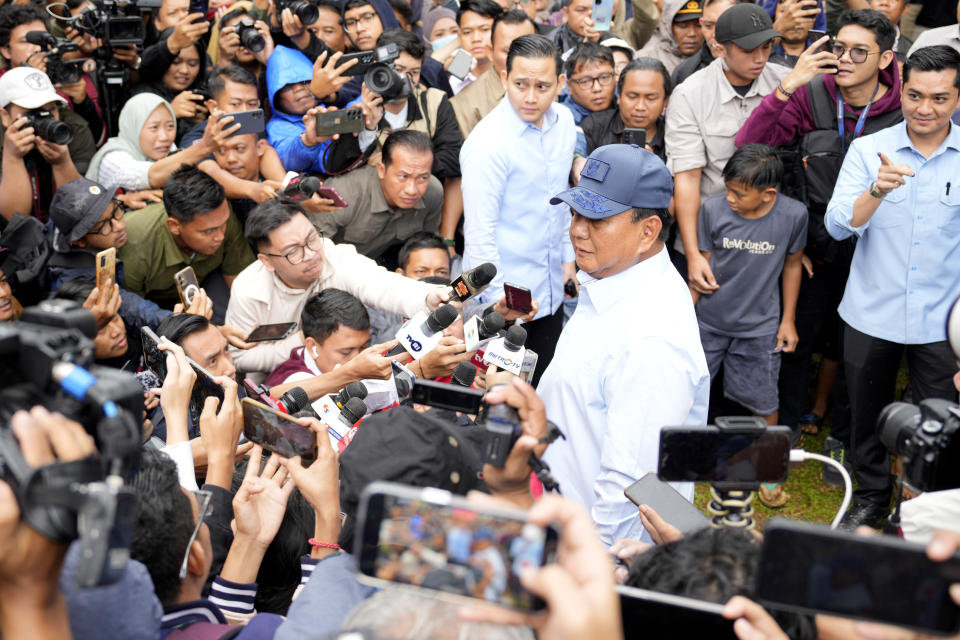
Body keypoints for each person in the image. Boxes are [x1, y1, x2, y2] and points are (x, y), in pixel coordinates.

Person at [735, 9, 902, 450]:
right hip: (812, 243)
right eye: (838, 48)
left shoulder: (904, 106)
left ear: (885, 59)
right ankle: (785, 428)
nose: (844, 59)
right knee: (797, 339)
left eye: (858, 52)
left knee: (859, 348)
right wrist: (788, 86)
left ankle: (847, 437)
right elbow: (751, 147)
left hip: (876, 249)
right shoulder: (814, 94)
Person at [540, 144, 710, 544]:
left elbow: (632, 486)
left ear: (647, 230)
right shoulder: (610, 278)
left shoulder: (653, 338)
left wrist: (596, 569)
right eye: (575, 212)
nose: (578, 229)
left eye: (597, 218)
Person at [824, 45, 960, 529]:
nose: (926, 109)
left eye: (940, 98)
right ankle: (871, 497)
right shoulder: (866, 151)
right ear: (902, 89)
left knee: (940, 424)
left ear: (957, 97)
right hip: (871, 312)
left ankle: (924, 507)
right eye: (916, 95)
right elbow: (838, 226)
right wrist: (876, 191)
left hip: (940, 323)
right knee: (866, 416)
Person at [225, 198, 450, 376]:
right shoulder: (248, 290)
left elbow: (380, 283)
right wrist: (309, 340)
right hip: (278, 383)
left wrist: (427, 297)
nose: (311, 254)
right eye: (293, 251)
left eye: (312, 238)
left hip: (346, 371)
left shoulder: (337, 258)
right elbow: (240, 358)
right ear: (267, 261)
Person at [460, 34, 575, 380]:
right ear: (505, 78)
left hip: (553, 293)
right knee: (498, 403)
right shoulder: (487, 144)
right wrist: (500, 307)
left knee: (543, 395)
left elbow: (561, 203)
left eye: (542, 86)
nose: (529, 96)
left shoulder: (565, 122)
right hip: (506, 304)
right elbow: (479, 237)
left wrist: (568, 263)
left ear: (560, 83)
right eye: (520, 83)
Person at [666, 2, 789, 283]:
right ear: (721, 48)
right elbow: (687, 178)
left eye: (766, 47)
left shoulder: (786, 83)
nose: (759, 58)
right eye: (748, 50)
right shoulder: (690, 94)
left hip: (770, 236)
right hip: (714, 237)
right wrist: (693, 252)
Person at [694, 144, 806, 435]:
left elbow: (793, 265)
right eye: (728, 189)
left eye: (739, 194)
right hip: (708, 322)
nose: (730, 198)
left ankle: (767, 471)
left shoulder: (794, 216)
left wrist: (788, 320)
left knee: (764, 400)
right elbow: (702, 268)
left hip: (760, 327)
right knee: (689, 390)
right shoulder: (711, 209)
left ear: (768, 194)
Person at [117, 165, 255, 319]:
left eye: (224, 224)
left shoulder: (219, 216)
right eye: (208, 231)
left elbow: (241, 281)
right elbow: (133, 311)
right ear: (174, 226)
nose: (220, 236)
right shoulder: (135, 242)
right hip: (154, 312)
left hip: (204, 292)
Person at [47, 177, 176, 331]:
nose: (120, 225)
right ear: (80, 241)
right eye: (103, 226)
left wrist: (122, 200)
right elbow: (131, 307)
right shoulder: (78, 279)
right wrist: (177, 321)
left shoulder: (68, 223)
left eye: (116, 210)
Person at [320, 130, 444, 263]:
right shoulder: (344, 193)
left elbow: (426, 248)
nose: (412, 190)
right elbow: (312, 252)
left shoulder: (433, 192)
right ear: (381, 169)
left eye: (423, 178)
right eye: (403, 176)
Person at [85, 93, 237, 195]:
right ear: (133, 126)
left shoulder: (168, 148)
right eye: (154, 128)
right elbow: (151, 175)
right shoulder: (113, 158)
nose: (164, 137)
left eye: (170, 126)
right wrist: (204, 146)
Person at [0, 4, 105, 145]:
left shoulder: (66, 77)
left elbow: (97, 141)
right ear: (6, 50)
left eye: (43, 40)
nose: (37, 48)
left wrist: (83, 102)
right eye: (26, 42)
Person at [0, 67, 92, 222]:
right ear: (5, 117)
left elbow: (79, 211)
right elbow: (14, 221)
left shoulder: (73, 129)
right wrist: (12, 158)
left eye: (51, 110)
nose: (44, 118)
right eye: (33, 112)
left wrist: (62, 163)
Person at [450, 9, 536, 138]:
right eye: (509, 51)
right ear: (491, 52)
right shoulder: (464, 104)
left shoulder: (549, 87)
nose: (521, 59)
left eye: (528, 50)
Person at [265, 45, 338, 175]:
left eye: (305, 81)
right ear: (275, 96)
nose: (298, 89)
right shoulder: (276, 127)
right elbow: (287, 158)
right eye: (287, 85)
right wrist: (307, 141)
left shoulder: (330, 108)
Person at [368, 231, 452, 344]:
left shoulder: (459, 304)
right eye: (421, 272)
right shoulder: (376, 308)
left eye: (441, 272)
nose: (431, 279)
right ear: (400, 275)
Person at [580, 57, 671, 160]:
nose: (640, 107)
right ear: (619, 96)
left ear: (665, 101)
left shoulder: (675, 134)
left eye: (650, 98)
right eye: (632, 97)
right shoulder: (594, 127)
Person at [131, 29, 209, 144]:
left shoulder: (204, 92)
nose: (184, 70)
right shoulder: (141, 96)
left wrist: (203, 123)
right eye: (176, 62)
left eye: (192, 64)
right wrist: (170, 112)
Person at [670, 0, 740, 88]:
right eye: (709, 26)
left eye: (724, 25)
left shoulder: (757, 65)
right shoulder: (685, 72)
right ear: (701, 24)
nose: (715, 34)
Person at [637, 0, 705, 75]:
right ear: (668, 27)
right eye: (683, 26)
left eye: (699, 26)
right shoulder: (646, 58)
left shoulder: (714, 57)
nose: (692, 33)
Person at [452, 0, 503, 94]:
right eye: (467, 32)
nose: (476, 39)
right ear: (459, 37)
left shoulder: (512, 72)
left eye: (484, 29)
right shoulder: (453, 81)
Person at [561, 43, 617, 126]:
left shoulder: (626, 104)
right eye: (585, 81)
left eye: (604, 77)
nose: (597, 88)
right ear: (569, 86)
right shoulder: (562, 121)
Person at [548, 0, 616, 54]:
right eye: (581, 10)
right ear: (566, 13)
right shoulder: (552, 42)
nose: (589, 15)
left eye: (595, 10)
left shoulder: (614, 41)